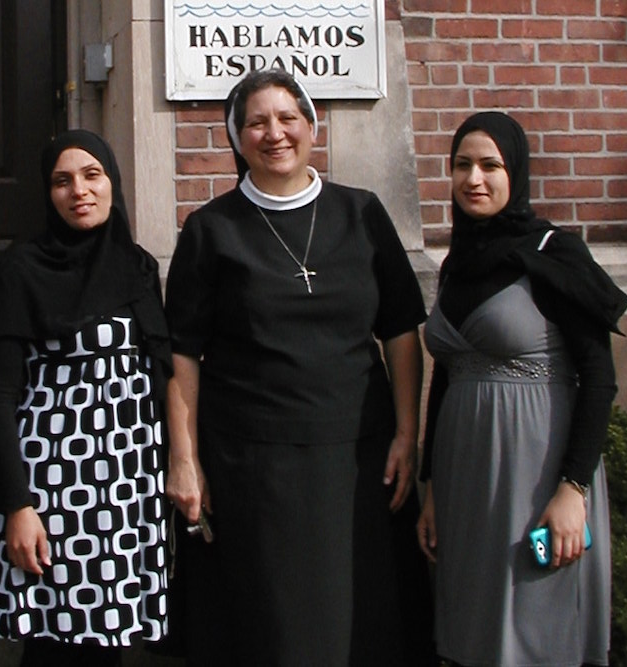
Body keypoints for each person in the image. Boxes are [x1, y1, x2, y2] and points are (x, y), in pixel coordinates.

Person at [164, 68, 436, 666]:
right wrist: (184, 459)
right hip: (254, 465)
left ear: (312, 127)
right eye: (255, 122)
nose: (274, 133)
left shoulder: (362, 214)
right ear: (237, 140)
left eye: (288, 118)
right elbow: (181, 352)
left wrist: (406, 433)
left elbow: (399, 331)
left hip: (359, 459)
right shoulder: (211, 230)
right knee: (276, 629)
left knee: (364, 621)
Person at [416, 111, 627, 666]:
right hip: (465, 478)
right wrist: (431, 484)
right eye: (462, 165)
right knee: (473, 627)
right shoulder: (456, 265)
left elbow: (599, 378)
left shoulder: (554, 254)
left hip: (537, 472)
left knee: (537, 622)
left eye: (491, 165)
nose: (474, 179)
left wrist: (572, 489)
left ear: (517, 173)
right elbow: (446, 372)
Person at [0, 130, 172, 667]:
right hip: (56, 493)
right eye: (62, 181)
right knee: (54, 649)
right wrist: (16, 504)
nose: (78, 191)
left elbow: (162, 370)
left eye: (92, 175)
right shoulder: (21, 271)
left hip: (129, 490)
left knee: (110, 644)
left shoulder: (138, 267)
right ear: (47, 193)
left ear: (113, 183)